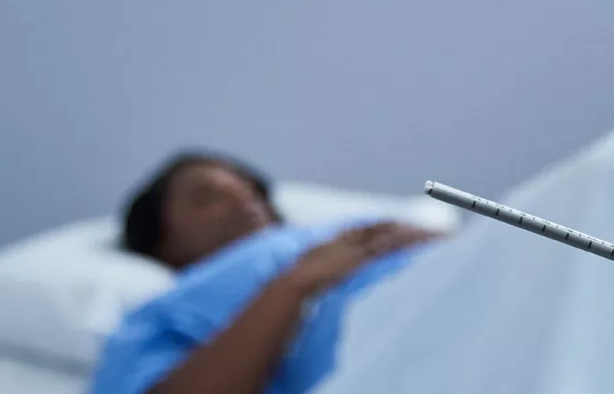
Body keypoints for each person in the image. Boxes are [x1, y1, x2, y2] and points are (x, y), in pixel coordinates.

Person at [94, 151, 439, 394]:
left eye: (252, 192)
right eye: (206, 198)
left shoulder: (328, 232)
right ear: (161, 240)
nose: (245, 202)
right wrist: (295, 283)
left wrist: (436, 242)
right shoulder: (160, 313)